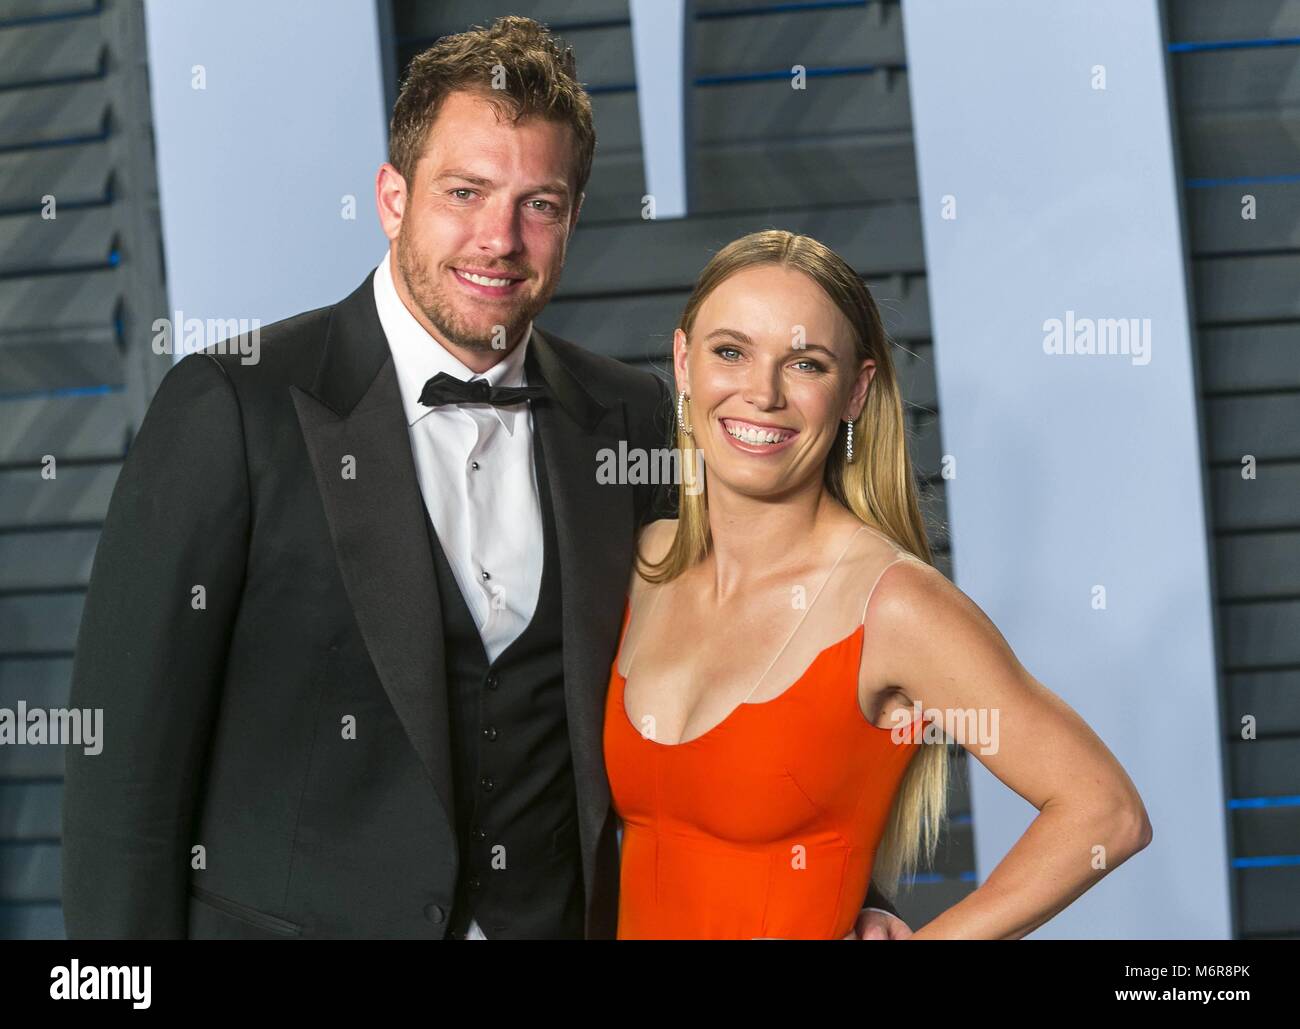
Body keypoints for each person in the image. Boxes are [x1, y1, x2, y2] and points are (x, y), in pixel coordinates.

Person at [61, 17, 904, 940]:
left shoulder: (627, 415)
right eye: (464, 192)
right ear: (392, 197)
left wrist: (852, 894)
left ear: (571, 219)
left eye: (538, 204)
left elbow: (744, 679)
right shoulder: (232, 406)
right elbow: (121, 785)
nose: (498, 238)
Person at [604, 229, 1154, 939]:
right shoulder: (643, 563)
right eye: (730, 351)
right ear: (685, 362)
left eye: (804, 363)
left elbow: (1106, 810)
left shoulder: (893, 605)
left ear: (856, 391)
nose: (761, 393)